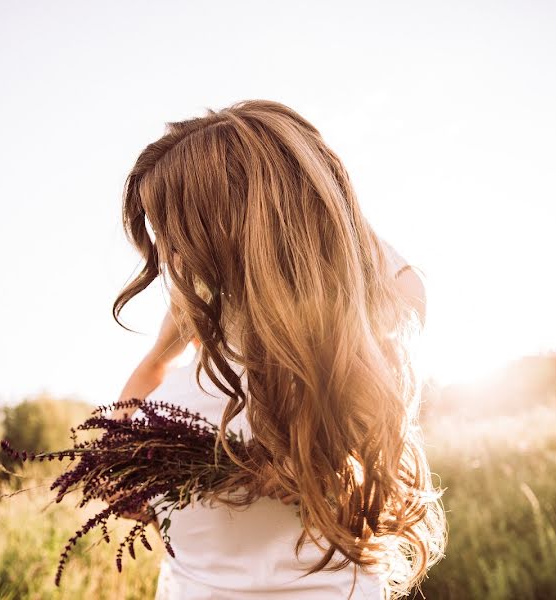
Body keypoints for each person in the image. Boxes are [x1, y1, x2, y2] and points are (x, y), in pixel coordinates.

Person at [109, 100, 446, 599]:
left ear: (230, 219)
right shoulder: (198, 304)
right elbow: (152, 367)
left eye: (177, 223)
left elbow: (395, 288)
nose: (169, 251)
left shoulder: (353, 320)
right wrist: (122, 462)